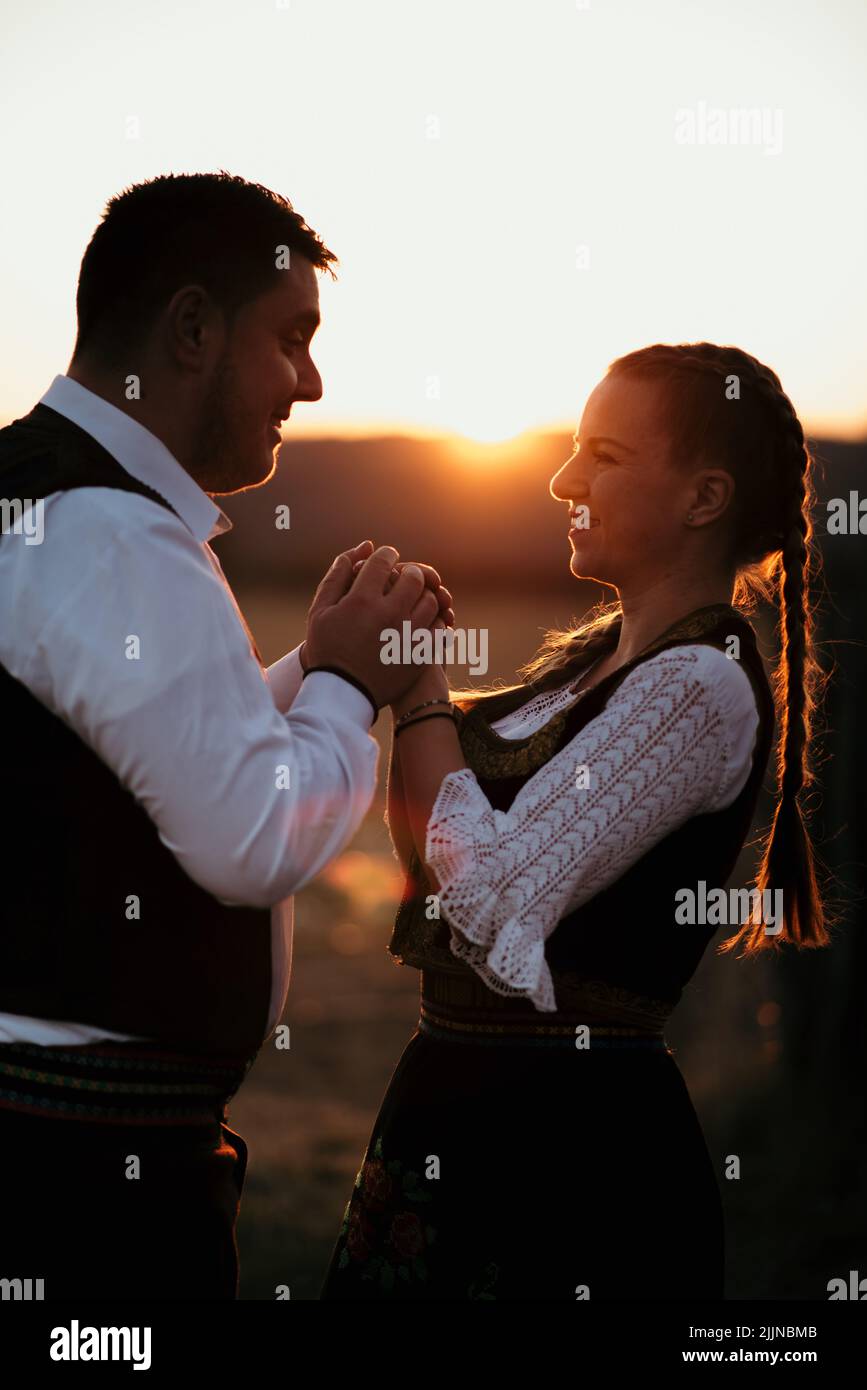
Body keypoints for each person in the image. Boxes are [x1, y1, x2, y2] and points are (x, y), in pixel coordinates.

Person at [0, 172, 453, 1300]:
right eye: (291, 338)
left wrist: (312, 663)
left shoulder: (44, 497)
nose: (309, 380)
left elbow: (135, 747)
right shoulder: (111, 533)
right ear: (192, 327)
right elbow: (249, 833)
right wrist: (351, 683)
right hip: (80, 1179)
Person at [320, 342, 832, 1301]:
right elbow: (435, 864)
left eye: (602, 455)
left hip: (567, 1137)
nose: (563, 480)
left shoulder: (696, 687)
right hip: (450, 1099)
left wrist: (421, 692)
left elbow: (494, 893)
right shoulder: (572, 676)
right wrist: (360, 657)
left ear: (702, 498)